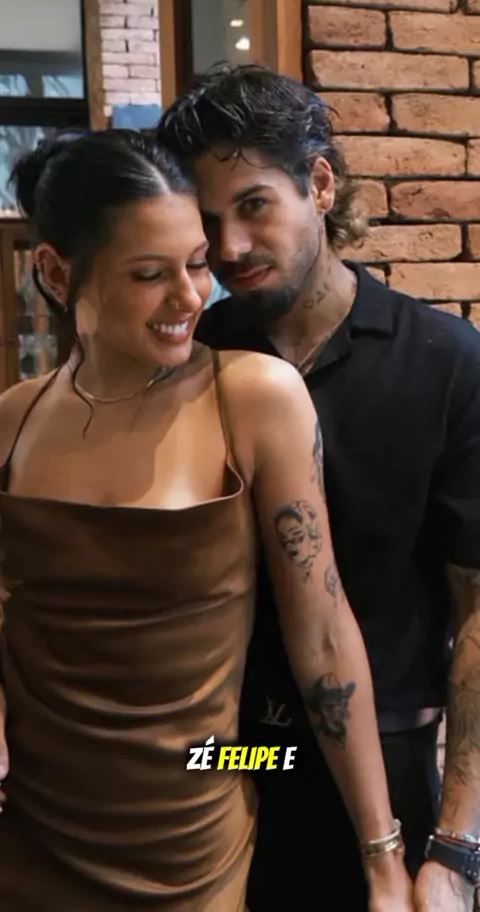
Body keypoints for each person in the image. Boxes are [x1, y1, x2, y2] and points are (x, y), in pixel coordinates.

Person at [0, 130, 412, 911]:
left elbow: (323, 632)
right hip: (31, 829)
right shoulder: (13, 421)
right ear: (54, 272)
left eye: (196, 264)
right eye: (150, 274)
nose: (191, 298)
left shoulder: (252, 397)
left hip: (198, 813)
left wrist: (383, 854)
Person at [158, 64, 480, 912]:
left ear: (322, 185)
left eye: (254, 205)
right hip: (234, 755)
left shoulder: (443, 361)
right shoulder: (192, 359)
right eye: (208, 222)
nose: (230, 248)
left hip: (392, 758)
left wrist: (456, 848)